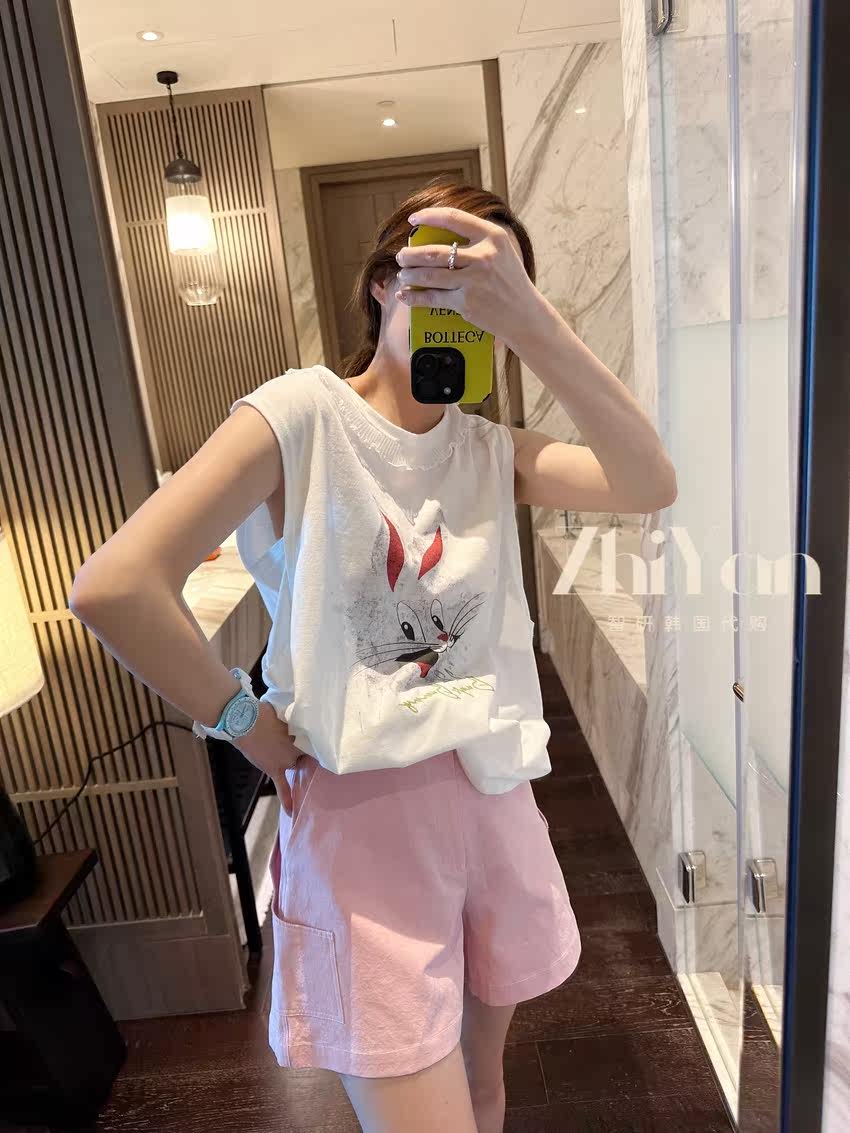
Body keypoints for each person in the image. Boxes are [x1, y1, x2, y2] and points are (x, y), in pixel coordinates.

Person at [70, 178, 677, 1133]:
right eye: (443, 276)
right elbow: (115, 585)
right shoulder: (300, 416)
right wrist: (246, 724)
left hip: (494, 802)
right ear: (385, 283)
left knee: (485, 1090)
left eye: (492, 289)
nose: (465, 305)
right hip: (364, 836)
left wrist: (534, 324)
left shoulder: (489, 448)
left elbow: (648, 480)